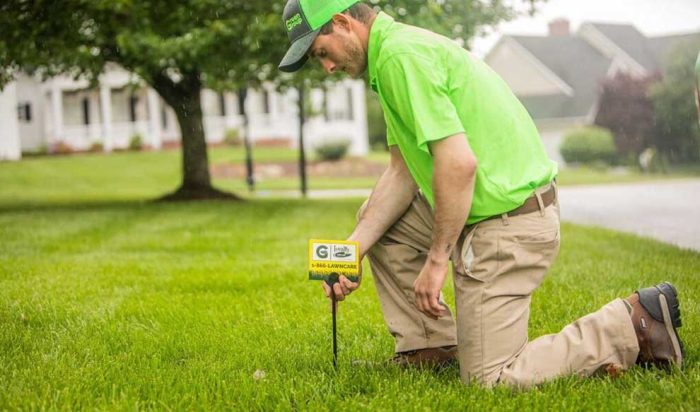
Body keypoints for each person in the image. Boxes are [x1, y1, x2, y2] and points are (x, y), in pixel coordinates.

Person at [278, 0, 685, 388]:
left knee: (490, 379)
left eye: (320, 52)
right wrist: (352, 253)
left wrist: (437, 261)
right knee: (378, 217)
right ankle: (430, 347)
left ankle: (634, 322)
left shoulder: (401, 58)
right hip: (485, 210)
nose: (327, 67)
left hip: (511, 222)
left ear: (344, 23)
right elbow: (402, 172)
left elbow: (458, 164)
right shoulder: (390, 57)